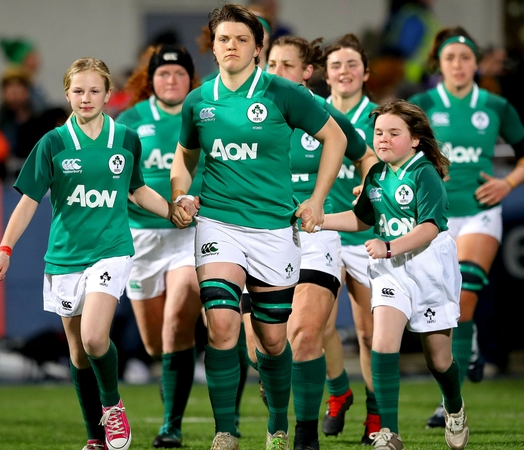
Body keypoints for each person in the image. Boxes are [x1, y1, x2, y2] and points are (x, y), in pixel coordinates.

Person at [168, 4, 346, 450]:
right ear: (213, 45)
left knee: (271, 339)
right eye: (223, 39)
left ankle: (278, 425)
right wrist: (181, 195)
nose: (230, 46)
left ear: (257, 47)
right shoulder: (199, 100)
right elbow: (184, 158)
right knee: (222, 325)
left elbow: (336, 139)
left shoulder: (283, 93)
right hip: (218, 225)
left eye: (241, 39)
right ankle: (224, 431)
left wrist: (317, 200)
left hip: (272, 230)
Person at [0, 57, 185, 450]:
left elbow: (136, 189)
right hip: (64, 257)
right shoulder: (53, 142)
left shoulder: (126, 138)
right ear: (67, 94)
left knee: (95, 339)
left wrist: (171, 210)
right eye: (78, 90)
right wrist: (4, 249)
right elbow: (27, 202)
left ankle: (113, 407)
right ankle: (95, 437)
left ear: (109, 94)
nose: (86, 97)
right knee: (77, 353)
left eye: (95, 90)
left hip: (111, 250)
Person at [321, 99, 469, 450]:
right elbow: (362, 218)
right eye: (378, 133)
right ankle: (388, 432)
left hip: (429, 266)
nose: (383, 139)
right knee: (382, 343)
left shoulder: (425, 173)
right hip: (391, 271)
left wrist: (389, 246)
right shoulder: (375, 173)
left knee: (439, 359)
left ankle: (454, 405)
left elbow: (430, 227)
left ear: (415, 139)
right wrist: (319, 220)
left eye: (393, 133)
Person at [408, 26, 524, 428]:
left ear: (476, 63)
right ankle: (469, 349)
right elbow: (394, 152)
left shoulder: (495, 105)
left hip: (481, 210)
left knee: (464, 295)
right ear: (439, 65)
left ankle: (448, 404)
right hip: (436, 216)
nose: (458, 65)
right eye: (450, 59)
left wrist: (507, 182)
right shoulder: (422, 104)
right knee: (440, 304)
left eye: (465, 58)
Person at [263, 34, 376, 450]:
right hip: (262, 234)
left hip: (326, 229)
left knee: (317, 332)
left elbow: (366, 155)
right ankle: (333, 391)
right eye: (270, 65)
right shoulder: (243, 112)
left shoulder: (321, 111)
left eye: (286, 66)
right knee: (268, 342)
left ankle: (309, 435)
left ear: (307, 72)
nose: (276, 73)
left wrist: (368, 184)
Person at [115, 44, 203, 448]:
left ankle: (171, 424)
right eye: (163, 74)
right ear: (150, 80)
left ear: (190, 78)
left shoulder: (204, 114)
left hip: (191, 235)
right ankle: (173, 383)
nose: (171, 80)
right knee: (154, 343)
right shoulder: (131, 121)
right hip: (143, 238)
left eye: (179, 74)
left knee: (176, 322)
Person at [321, 33, 382, 445]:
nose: (344, 72)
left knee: (367, 331)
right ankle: (339, 389)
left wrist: (373, 187)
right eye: (336, 65)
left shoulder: (380, 116)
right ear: (324, 74)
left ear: (365, 72)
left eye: (352, 65)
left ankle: (375, 414)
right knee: (318, 322)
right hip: (321, 231)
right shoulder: (310, 112)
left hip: (364, 234)